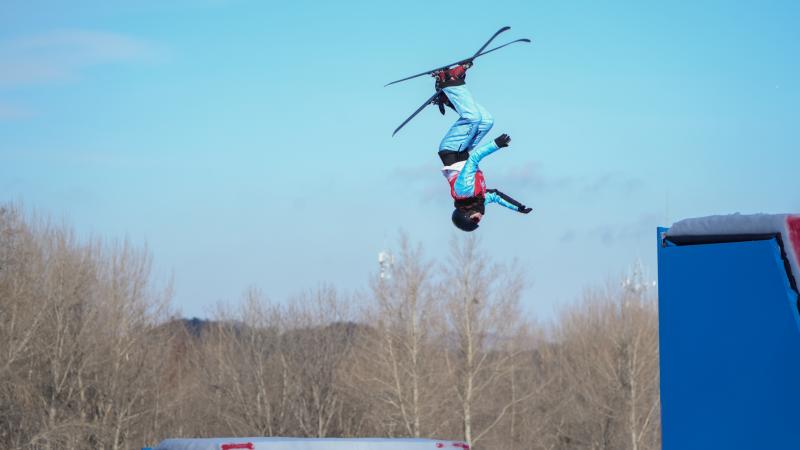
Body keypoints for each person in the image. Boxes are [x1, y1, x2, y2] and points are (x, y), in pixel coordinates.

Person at [434, 64, 532, 232]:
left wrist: (496, 144)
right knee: (487, 121)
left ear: (466, 214)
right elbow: (496, 196)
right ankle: (448, 98)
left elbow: (474, 159)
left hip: (452, 148)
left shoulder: (464, 191)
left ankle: (449, 81)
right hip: (462, 150)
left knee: (472, 118)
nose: (480, 218)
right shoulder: (478, 199)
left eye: (475, 219)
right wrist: (519, 208)